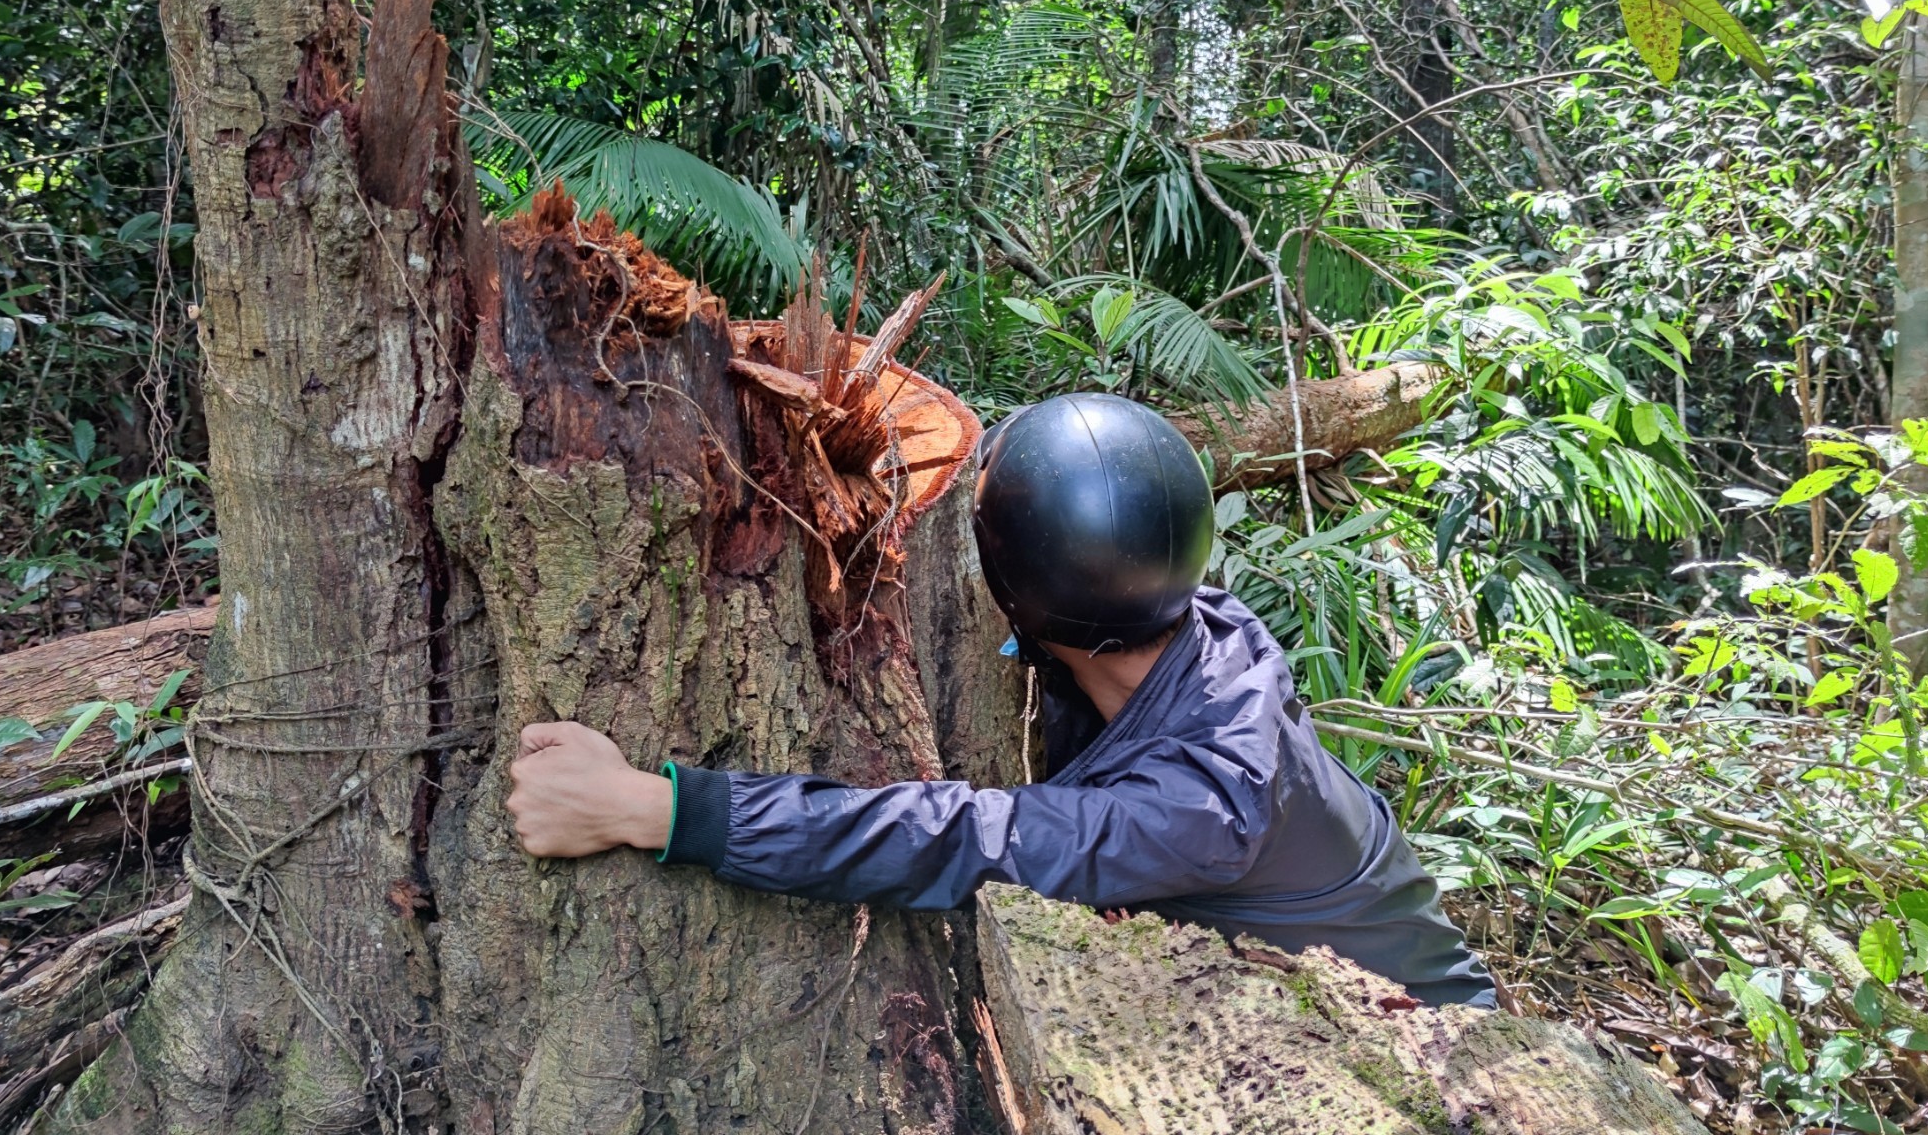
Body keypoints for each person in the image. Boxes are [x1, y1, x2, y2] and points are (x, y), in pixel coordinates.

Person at [509, 391, 1494, 1007]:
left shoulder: (1202, 808)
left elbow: (953, 838)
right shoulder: (1198, 624)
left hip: (1429, 1051)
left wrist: (661, 809)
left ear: (1023, 601)